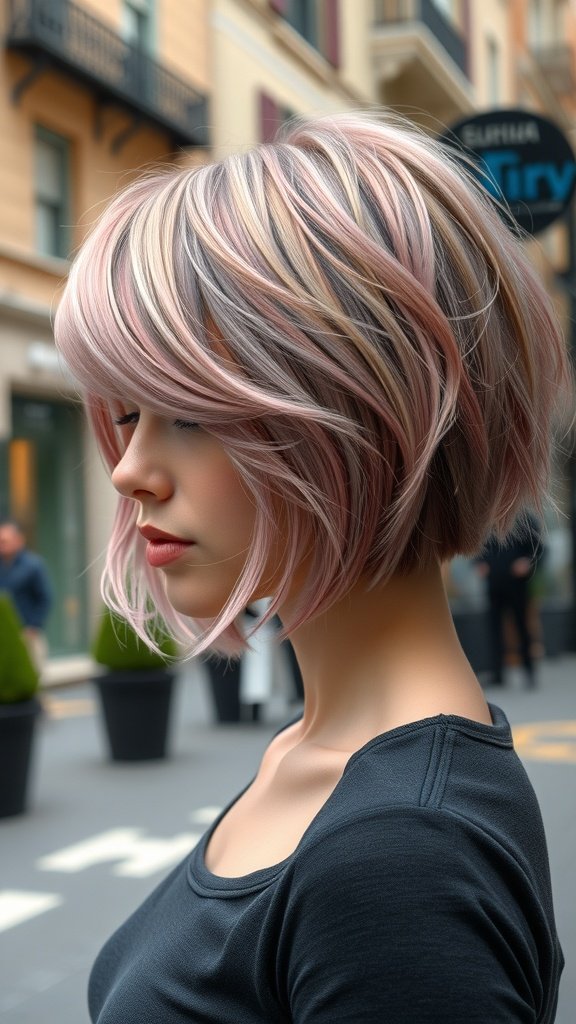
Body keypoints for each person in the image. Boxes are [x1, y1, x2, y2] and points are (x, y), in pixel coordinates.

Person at [54, 112, 568, 1023]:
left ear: (363, 411)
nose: (129, 469)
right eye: (130, 413)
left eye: (193, 411)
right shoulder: (326, 761)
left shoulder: (401, 856)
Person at [475, 515, 544, 688]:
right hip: (494, 585)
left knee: (522, 626)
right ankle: (497, 674)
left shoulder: (525, 520)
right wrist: (479, 563)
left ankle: (529, 672)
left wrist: (527, 562)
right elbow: (477, 548)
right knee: (494, 629)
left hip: (517, 586)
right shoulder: (487, 519)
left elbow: (538, 549)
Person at [0, 520, 53, 671]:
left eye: (4, 541)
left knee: (32, 674)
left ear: (18, 540)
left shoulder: (33, 565)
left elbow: (45, 598)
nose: (1, 545)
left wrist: (34, 626)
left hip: (27, 633)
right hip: (3, 634)